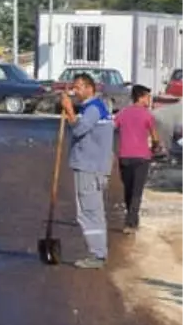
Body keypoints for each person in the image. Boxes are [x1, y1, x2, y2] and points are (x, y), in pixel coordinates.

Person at [59, 73, 116, 269]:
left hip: (90, 168)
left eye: (79, 87)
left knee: (89, 212)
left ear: (90, 88)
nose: (75, 91)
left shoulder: (93, 109)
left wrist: (69, 111)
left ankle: (97, 255)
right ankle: (98, 253)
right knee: (91, 211)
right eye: (74, 87)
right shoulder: (93, 108)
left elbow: (78, 129)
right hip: (90, 167)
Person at [113, 84, 160, 235]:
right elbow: (154, 136)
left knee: (128, 189)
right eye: (147, 97)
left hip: (124, 156)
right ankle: (131, 223)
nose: (149, 100)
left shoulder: (122, 113)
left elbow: (112, 128)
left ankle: (132, 219)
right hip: (141, 157)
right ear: (140, 97)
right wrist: (156, 147)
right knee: (136, 192)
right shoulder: (148, 115)